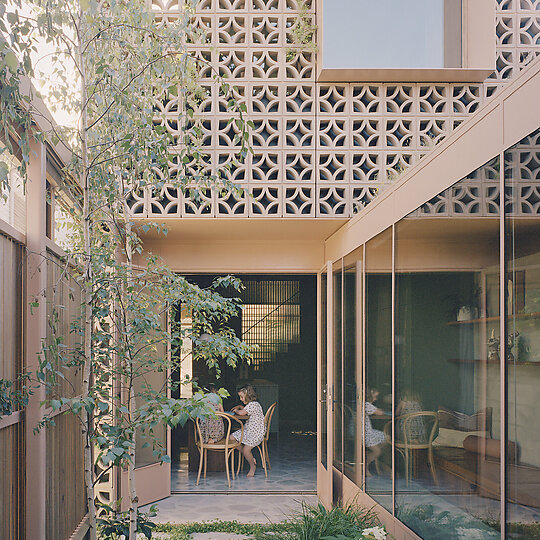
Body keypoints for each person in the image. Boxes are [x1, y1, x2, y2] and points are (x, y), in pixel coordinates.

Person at [229, 384, 265, 477]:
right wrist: (241, 406)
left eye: (241, 397)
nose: (240, 399)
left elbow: (241, 413)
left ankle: (252, 466)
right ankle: (250, 457)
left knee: (246, 449)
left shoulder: (253, 405)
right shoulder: (253, 404)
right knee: (231, 438)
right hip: (249, 430)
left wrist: (237, 410)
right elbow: (245, 409)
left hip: (256, 433)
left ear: (247, 396)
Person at [365, 387, 387, 476]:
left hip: (361, 431)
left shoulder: (360, 403)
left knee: (385, 437)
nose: (376, 399)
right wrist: (381, 410)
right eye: (375, 396)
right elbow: (380, 413)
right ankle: (367, 462)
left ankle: (371, 454)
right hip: (365, 433)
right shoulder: (367, 404)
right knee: (378, 450)